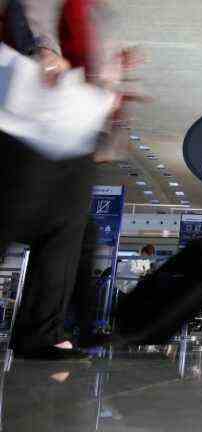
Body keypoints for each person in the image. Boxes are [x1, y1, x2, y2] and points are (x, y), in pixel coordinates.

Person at [0, 0, 141, 359]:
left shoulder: (98, 10)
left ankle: (40, 334)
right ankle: (42, 331)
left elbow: (99, 64)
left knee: (67, 230)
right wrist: (43, 48)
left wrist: (114, 83)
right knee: (11, 213)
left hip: (72, 121)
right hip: (31, 111)